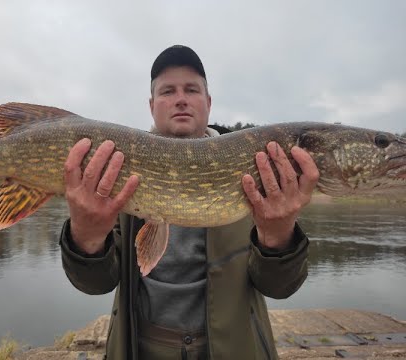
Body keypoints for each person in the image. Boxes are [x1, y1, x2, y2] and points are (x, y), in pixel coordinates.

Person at [59, 45, 319, 359]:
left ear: (208, 103)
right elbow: (96, 283)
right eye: (168, 91)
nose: (181, 98)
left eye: (192, 89)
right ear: (152, 105)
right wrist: (85, 237)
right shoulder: (114, 166)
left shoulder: (262, 166)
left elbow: (279, 288)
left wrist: (278, 237)